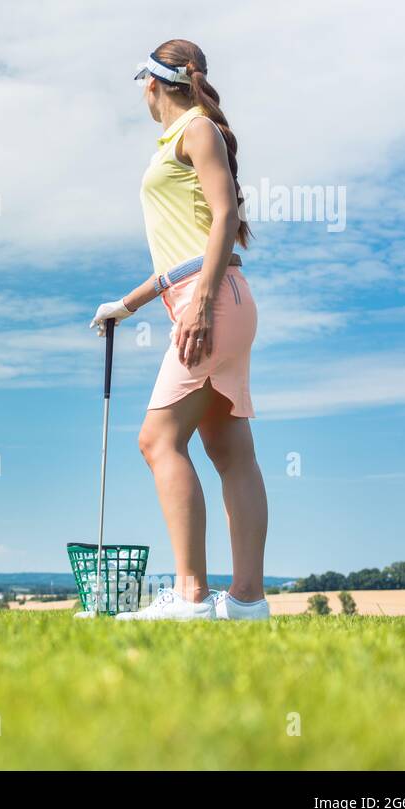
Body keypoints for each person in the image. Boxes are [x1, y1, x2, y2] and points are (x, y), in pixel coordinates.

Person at [89, 39, 269, 621]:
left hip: (210, 298)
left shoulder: (196, 129)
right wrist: (129, 303)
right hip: (212, 295)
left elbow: (223, 217)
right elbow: (183, 250)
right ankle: (246, 602)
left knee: (158, 440)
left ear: (151, 84)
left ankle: (191, 596)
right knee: (227, 448)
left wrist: (202, 303)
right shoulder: (181, 137)